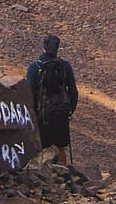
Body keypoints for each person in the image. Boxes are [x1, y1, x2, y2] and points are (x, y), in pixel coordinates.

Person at [26, 34, 78, 165]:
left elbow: (30, 92)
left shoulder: (34, 67)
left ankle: (45, 178)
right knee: (61, 147)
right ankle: (64, 175)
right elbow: (73, 90)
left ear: (43, 46)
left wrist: (32, 114)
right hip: (61, 112)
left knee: (42, 148)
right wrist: (70, 109)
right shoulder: (65, 66)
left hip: (42, 114)